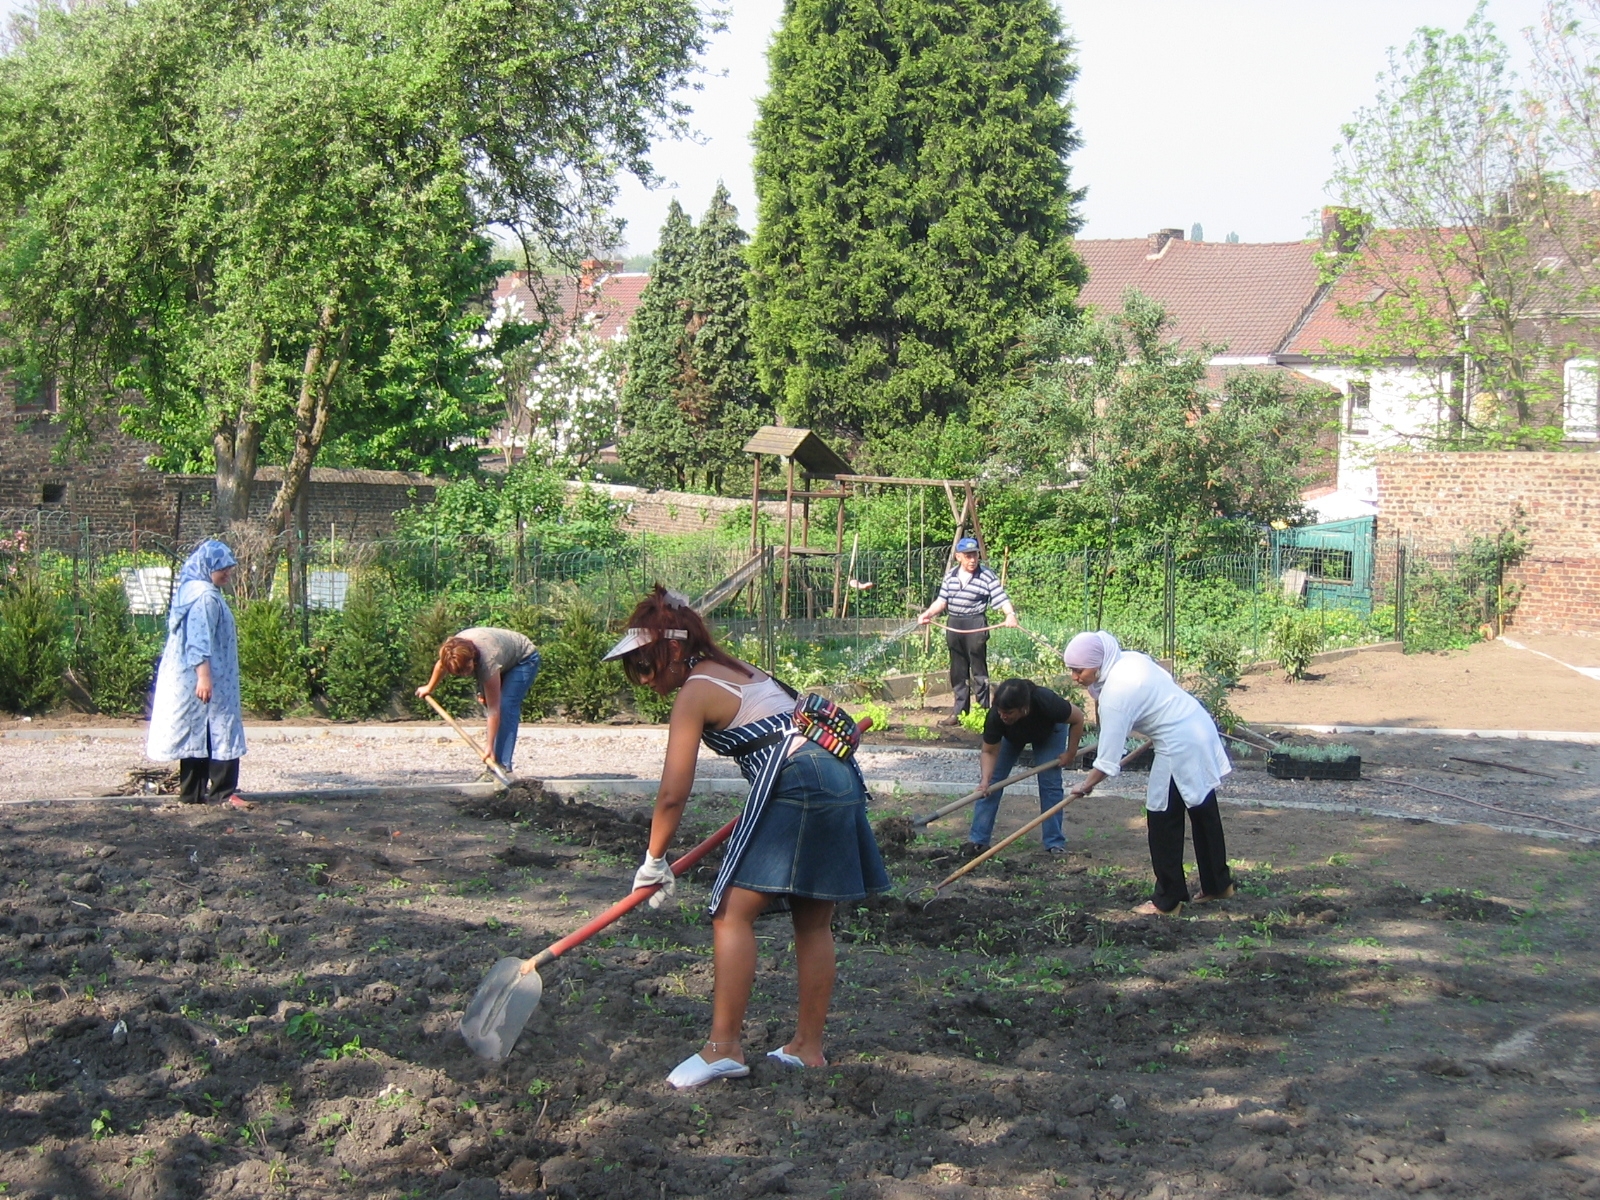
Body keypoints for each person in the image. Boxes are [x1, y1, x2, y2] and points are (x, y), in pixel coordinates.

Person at [605, 586, 889, 1089]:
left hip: (797, 780)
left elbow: (673, 793)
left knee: (732, 912)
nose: (644, 680)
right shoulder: (741, 671)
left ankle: (723, 1048)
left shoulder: (696, 690)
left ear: (672, 649)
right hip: (837, 776)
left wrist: (654, 858)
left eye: (645, 665)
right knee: (813, 919)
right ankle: (807, 1048)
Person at [1062, 631, 1234, 915]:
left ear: (1097, 664)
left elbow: (1107, 759)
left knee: (1162, 816)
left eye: (1079, 670)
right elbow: (1162, 687)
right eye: (1071, 670)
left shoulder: (1116, 693)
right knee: (1203, 808)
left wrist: (1086, 785)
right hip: (1197, 725)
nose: (1074, 677)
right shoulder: (1129, 660)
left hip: (1178, 744)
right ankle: (1218, 883)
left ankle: (1168, 899)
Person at [146, 539, 248, 808]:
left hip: (193, 677)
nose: (227, 573)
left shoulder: (193, 591)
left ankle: (192, 794)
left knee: (199, 734)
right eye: (221, 568)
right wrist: (204, 677)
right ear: (207, 567)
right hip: (208, 677)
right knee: (221, 730)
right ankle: (223, 793)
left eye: (229, 568)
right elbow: (199, 640)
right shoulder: (205, 597)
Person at [964, 677, 1086, 858]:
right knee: (990, 786)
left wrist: (1071, 752)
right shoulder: (997, 717)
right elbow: (989, 751)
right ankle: (978, 841)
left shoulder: (1047, 702)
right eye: (1000, 711)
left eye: (1009, 712)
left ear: (1024, 708)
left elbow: (1078, 718)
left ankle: (1054, 844)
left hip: (1049, 733)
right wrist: (985, 780)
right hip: (1012, 736)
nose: (1003, 715)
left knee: (1049, 783)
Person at [917, 536, 1018, 726]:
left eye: (975, 555)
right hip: (954, 623)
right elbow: (941, 601)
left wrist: (1010, 615)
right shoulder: (951, 576)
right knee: (958, 670)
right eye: (968, 555)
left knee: (978, 669)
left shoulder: (986, 575)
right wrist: (927, 614)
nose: (972, 559)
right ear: (958, 557)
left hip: (976, 623)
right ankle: (959, 712)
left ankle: (983, 713)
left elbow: (1001, 598)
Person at [416, 627, 540, 776]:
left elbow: (494, 710)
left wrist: (488, 747)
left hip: (523, 659)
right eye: (458, 673)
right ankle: (494, 766)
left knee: (505, 706)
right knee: (487, 701)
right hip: (501, 655)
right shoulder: (451, 652)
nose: (464, 675)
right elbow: (441, 666)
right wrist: (429, 688)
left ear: (472, 659)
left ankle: (500, 767)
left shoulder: (488, 661)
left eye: (466, 670)